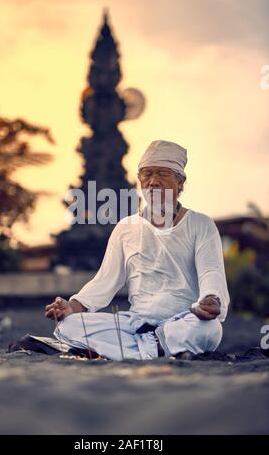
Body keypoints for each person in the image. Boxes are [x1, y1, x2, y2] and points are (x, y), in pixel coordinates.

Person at [43, 140, 230, 361]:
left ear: (180, 183)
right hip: (135, 323)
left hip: (184, 319)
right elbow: (104, 282)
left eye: (163, 174)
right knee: (68, 326)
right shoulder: (125, 228)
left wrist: (210, 299)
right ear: (139, 180)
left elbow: (211, 272)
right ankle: (159, 348)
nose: (153, 182)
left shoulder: (201, 224)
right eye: (147, 174)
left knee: (209, 330)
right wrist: (71, 307)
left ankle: (131, 350)